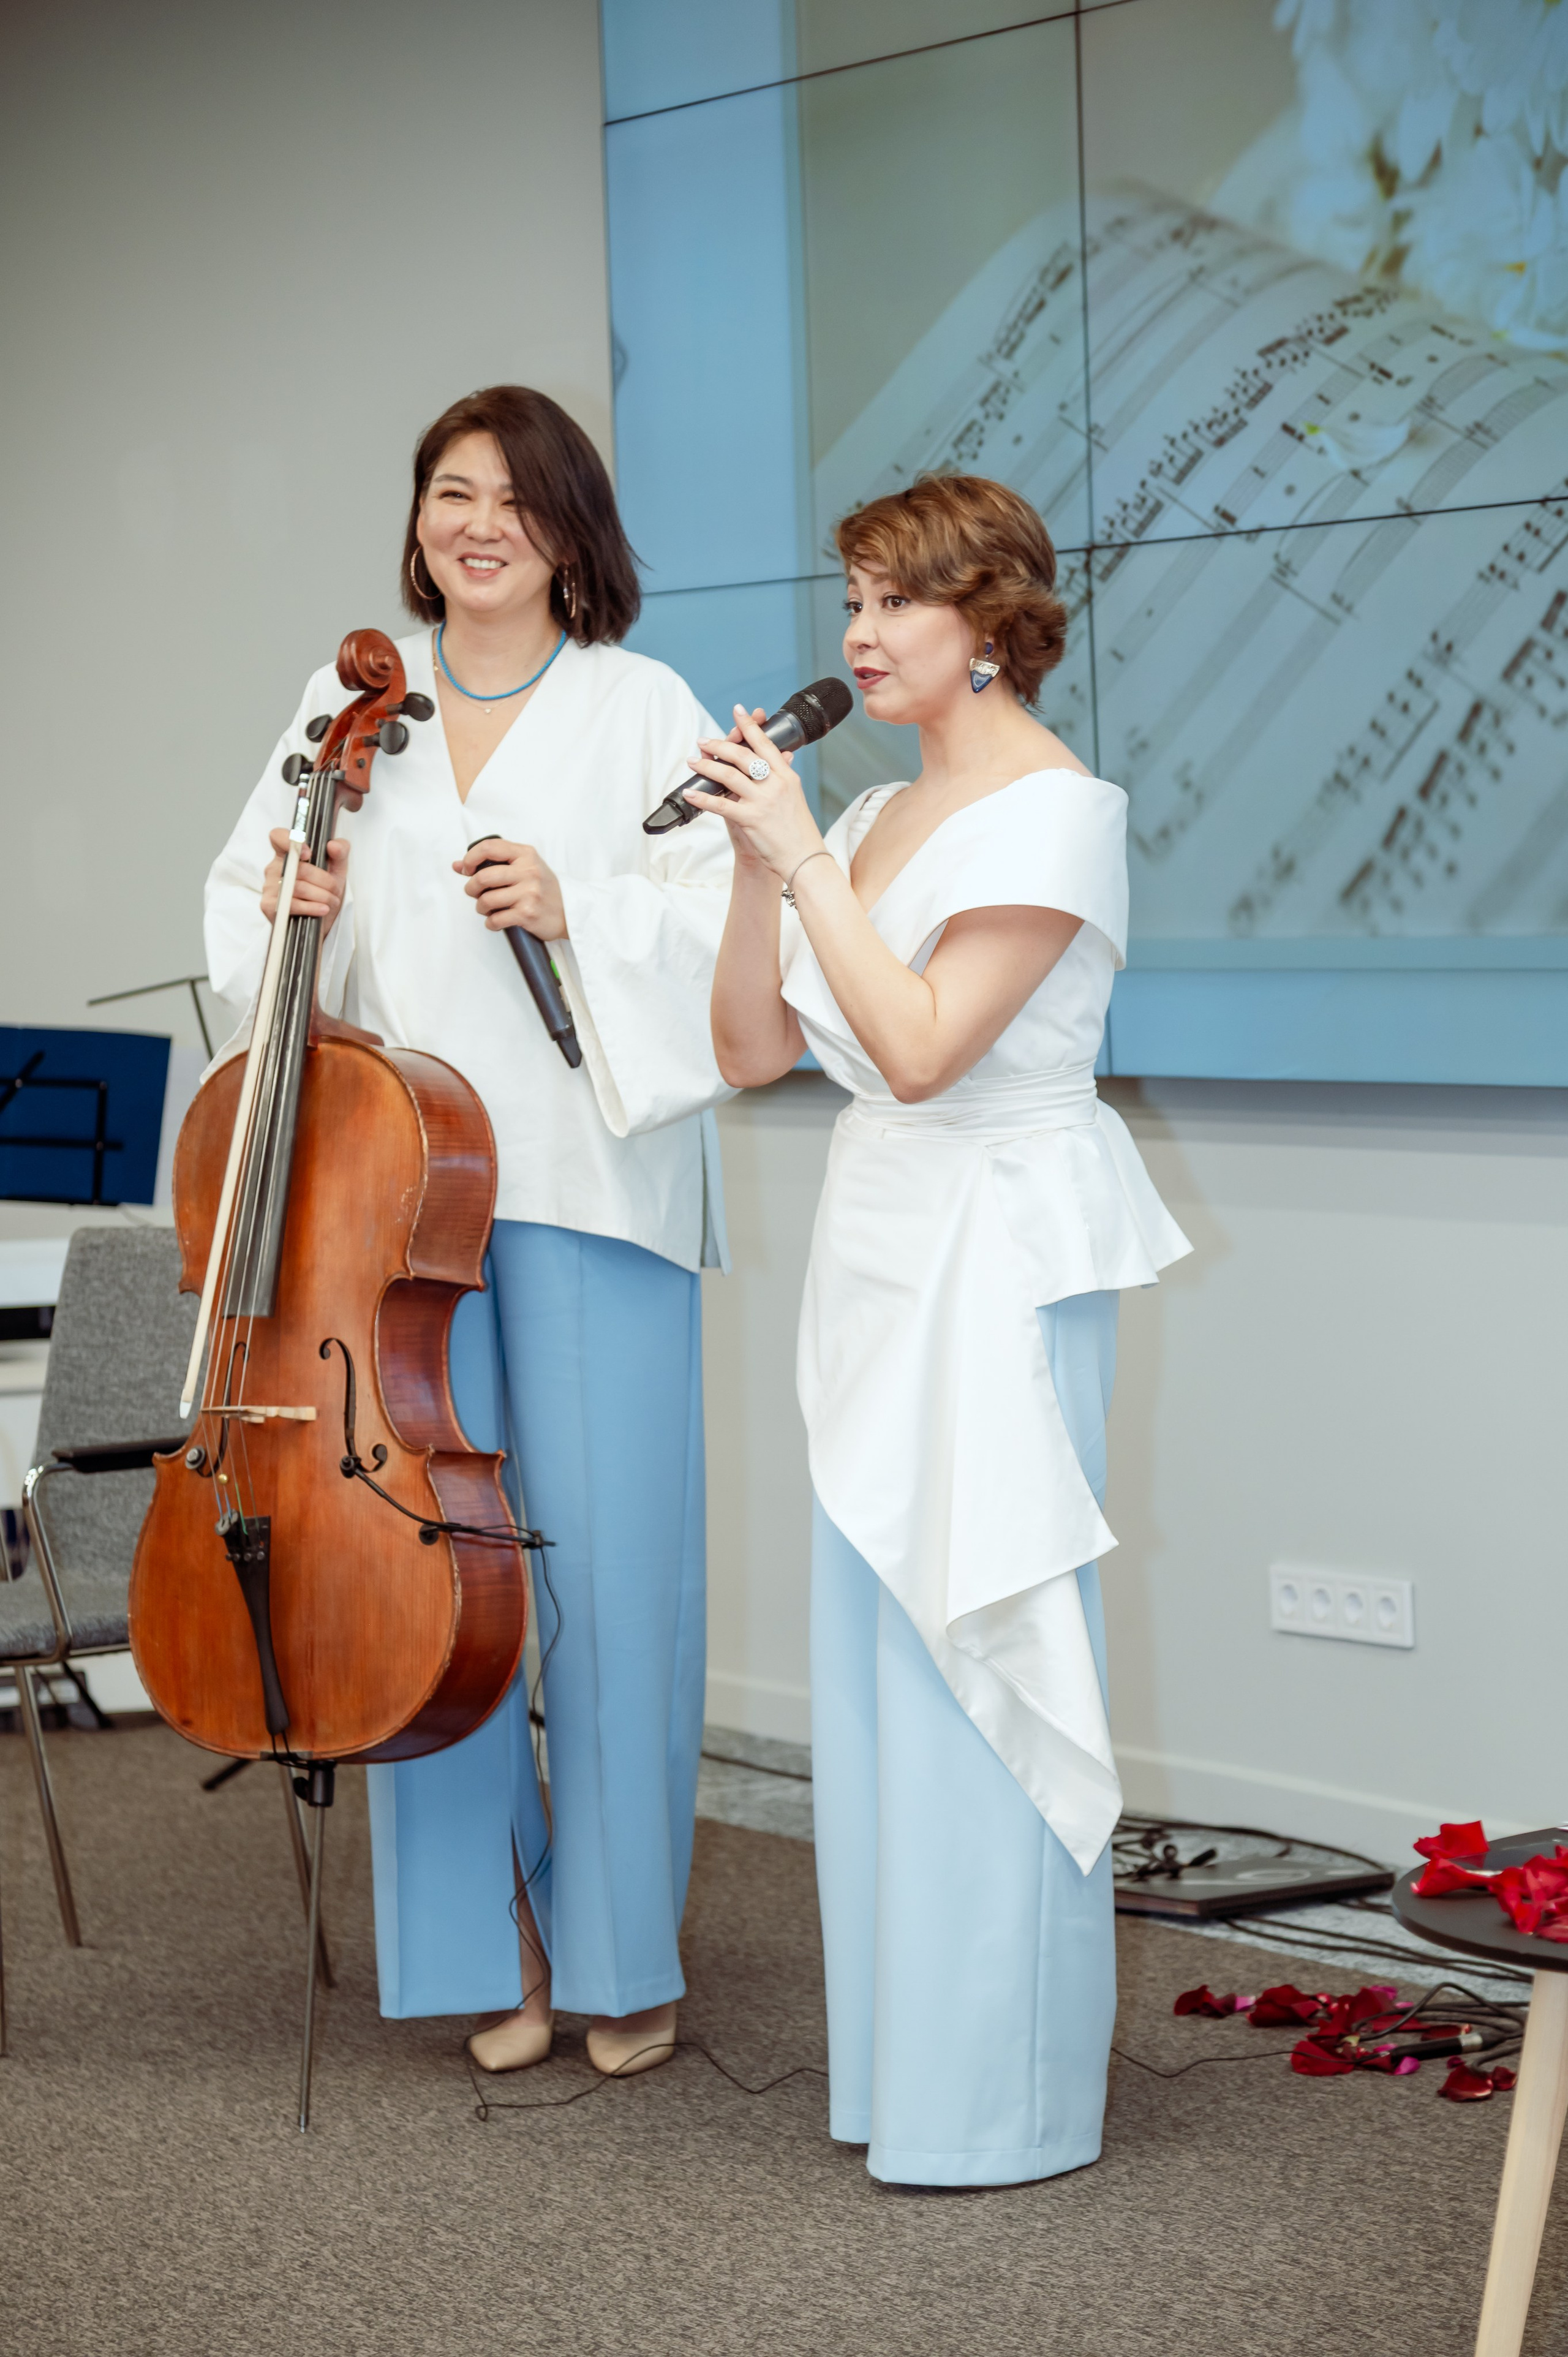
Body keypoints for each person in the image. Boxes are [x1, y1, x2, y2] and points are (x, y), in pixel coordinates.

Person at [205, 385, 734, 2078]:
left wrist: (582, 914)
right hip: (396, 1209)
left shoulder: (642, 705)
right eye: (449, 492)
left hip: (590, 1195)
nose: (475, 523)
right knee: (426, 1581)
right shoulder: (354, 700)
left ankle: (624, 1953)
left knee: (611, 1584)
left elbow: (727, 931)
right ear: (418, 520)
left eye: (510, 496)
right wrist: (301, 914)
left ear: (569, 527)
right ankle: (479, 1946)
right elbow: (246, 908)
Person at [690, 474, 1191, 2185]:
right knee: (883, 1678)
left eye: (895, 600)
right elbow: (757, 1050)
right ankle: (906, 2075)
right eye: (851, 598)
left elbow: (921, 1048)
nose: (857, 635)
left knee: (983, 1653)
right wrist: (762, 869)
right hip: (879, 1255)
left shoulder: (1061, 815)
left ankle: (1003, 2102)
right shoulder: (880, 818)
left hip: (999, 1254)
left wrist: (804, 850)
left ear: (993, 625)